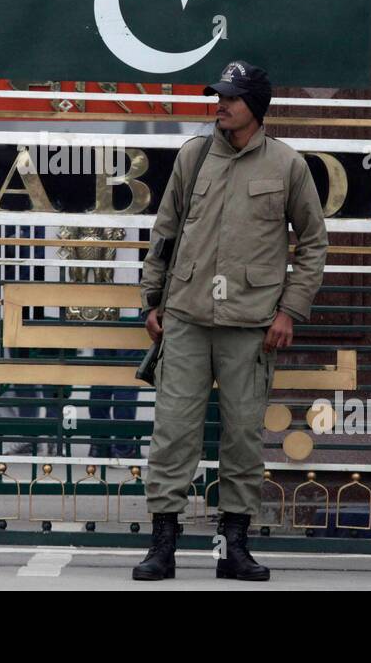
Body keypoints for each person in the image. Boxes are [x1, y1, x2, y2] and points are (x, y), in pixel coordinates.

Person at [132, 60, 328, 581]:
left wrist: (290, 310)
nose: (220, 104)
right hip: (188, 317)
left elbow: (313, 244)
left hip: (251, 323)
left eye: (231, 97)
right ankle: (162, 547)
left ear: (256, 107)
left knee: (242, 435)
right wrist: (152, 300)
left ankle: (234, 548)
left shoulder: (288, 166)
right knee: (173, 433)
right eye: (218, 96)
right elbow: (165, 231)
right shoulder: (193, 158)